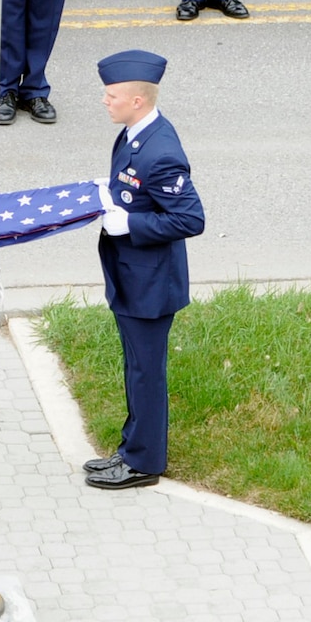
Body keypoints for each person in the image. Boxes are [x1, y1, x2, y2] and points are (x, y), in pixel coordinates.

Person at [85, 49, 203, 491]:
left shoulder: (161, 152)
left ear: (137, 100)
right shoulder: (134, 134)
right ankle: (132, 446)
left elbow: (190, 219)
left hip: (150, 286)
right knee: (136, 368)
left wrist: (130, 224)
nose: (105, 100)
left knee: (145, 374)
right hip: (133, 277)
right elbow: (135, 187)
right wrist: (111, 193)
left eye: (112, 95)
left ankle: (143, 462)